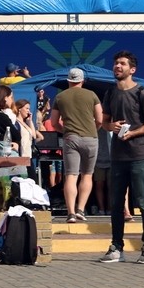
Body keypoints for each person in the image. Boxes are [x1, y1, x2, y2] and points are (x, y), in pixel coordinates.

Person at [98, 50, 144, 265]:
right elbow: (104, 122)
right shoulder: (110, 93)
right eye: (116, 63)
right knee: (116, 204)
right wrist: (110, 126)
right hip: (117, 156)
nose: (117, 66)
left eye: (122, 64)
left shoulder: (142, 92)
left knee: (143, 202)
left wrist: (133, 132)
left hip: (139, 154)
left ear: (132, 69)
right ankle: (116, 247)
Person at [51, 67, 102, 223]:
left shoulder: (60, 97)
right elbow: (99, 119)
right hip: (90, 138)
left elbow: (54, 123)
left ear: (68, 80)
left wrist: (65, 131)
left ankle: (71, 213)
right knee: (87, 174)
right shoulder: (92, 95)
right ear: (82, 80)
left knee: (71, 175)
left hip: (70, 138)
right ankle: (81, 209)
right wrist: (94, 129)